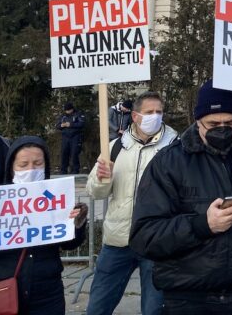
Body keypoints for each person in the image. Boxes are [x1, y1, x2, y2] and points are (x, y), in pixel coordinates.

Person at [129, 80, 232, 315]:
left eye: (229, 122)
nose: (222, 128)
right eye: (212, 123)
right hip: (190, 299)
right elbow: (144, 236)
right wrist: (202, 225)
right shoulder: (168, 163)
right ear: (198, 121)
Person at [85, 91, 178, 315]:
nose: (155, 116)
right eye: (149, 112)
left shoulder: (176, 147)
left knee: (154, 309)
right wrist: (101, 177)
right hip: (118, 241)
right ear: (135, 116)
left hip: (156, 242)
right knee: (98, 306)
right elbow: (95, 192)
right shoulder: (115, 147)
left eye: (159, 112)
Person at [0, 136, 88, 314]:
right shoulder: (1, 202)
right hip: (8, 288)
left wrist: (77, 224)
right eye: (23, 165)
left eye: (38, 163)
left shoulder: (54, 197)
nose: (31, 170)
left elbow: (69, 244)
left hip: (48, 292)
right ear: (11, 167)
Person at [56, 101, 85, 174]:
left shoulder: (78, 114)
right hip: (65, 137)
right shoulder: (63, 116)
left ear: (72, 109)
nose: (67, 112)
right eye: (66, 110)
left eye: (69, 110)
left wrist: (71, 124)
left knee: (74, 153)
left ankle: (75, 170)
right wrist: (61, 126)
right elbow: (57, 125)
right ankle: (63, 170)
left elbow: (82, 124)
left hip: (75, 137)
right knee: (64, 153)